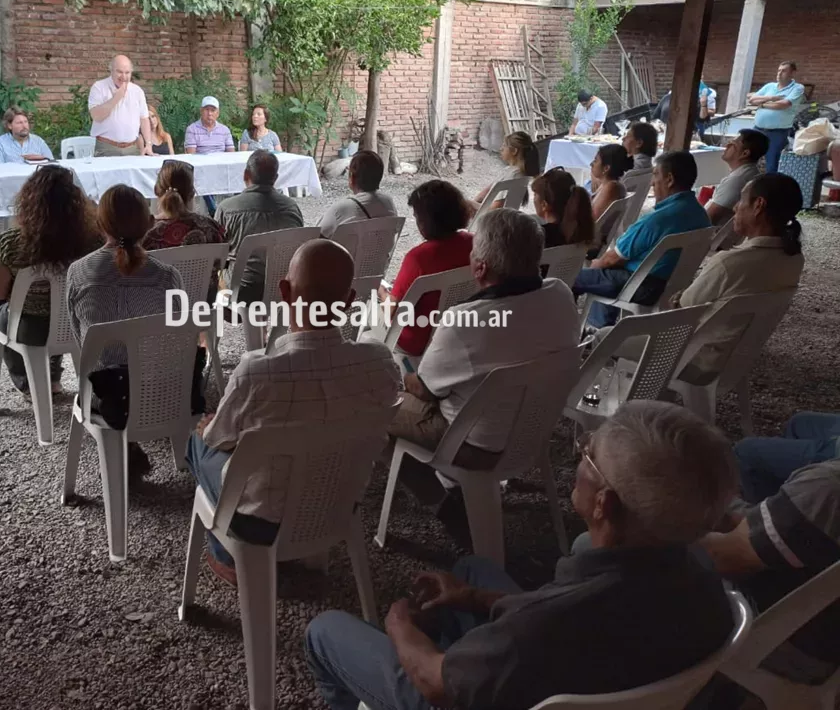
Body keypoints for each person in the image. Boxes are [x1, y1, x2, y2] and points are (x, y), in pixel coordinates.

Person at [306, 400, 738, 710]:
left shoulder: (537, 629)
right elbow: (560, 613)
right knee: (473, 570)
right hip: (606, 665)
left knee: (324, 632)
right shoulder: (705, 578)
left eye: (587, 453)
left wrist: (398, 625)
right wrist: (475, 598)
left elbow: (436, 682)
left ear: (604, 504)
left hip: (478, 688)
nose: (580, 458)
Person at [185, 239, 401, 585]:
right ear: (349, 302)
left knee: (198, 441)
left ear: (284, 292)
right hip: (337, 505)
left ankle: (226, 554)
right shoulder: (380, 363)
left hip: (261, 523)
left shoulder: (256, 372)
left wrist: (211, 431)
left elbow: (220, 439)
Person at [390, 208, 580, 460]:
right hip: (534, 429)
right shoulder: (561, 293)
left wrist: (405, 378)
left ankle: (438, 492)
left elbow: (425, 391)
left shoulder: (464, 322)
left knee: (374, 403)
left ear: (480, 269)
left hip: (473, 444)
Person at [67, 184, 184, 480]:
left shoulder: (78, 272)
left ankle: (121, 443)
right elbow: (181, 336)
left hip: (104, 391)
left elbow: (81, 341)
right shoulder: (168, 277)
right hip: (164, 391)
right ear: (148, 224)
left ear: (100, 224)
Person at [700, 456, 840, 687]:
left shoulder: (827, 487)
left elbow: (722, 558)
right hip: (824, 636)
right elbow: (769, 533)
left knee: (647, 569)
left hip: (792, 647)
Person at [669, 174, 804, 382]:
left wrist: (676, 297)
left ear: (758, 205)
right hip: (736, 360)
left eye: (741, 200)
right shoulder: (794, 258)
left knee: (605, 336)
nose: (735, 208)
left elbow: (681, 313)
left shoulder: (729, 263)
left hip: (696, 360)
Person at [0, 166, 100, 397]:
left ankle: (27, 379)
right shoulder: (94, 239)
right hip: (80, 321)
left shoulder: (11, 243)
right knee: (56, 308)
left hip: (30, 330)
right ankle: (52, 376)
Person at [572, 151, 711, 328]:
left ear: (669, 179)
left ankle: (567, 332)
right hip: (671, 285)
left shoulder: (658, 219)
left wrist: (594, 266)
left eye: (655, 175)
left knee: (570, 279)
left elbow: (611, 259)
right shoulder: (701, 214)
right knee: (605, 277)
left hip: (642, 286)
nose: (652, 182)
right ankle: (598, 329)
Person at [380, 180, 472, 357]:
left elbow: (391, 309)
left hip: (417, 340)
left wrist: (381, 293)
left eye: (417, 216)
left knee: (371, 308)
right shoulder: (474, 242)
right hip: (457, 332)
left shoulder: (418, 258)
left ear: (426, 220)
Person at [215, 150, 303, 305]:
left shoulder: (227, 208)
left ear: (245, 175)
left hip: (242, 291)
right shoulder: (292, 208)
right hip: (284, 287)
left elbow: (218, 255)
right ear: (275, 178)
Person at [143, 160, 227, 303]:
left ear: (157, 191)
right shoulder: (211, 228)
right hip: (201, 310)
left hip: (156, 314)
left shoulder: (144, 233)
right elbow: (222, 264)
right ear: (192, 193)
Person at [318, 149, 398, 239]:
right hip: (381, 253)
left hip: (347, 253)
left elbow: (316, 236)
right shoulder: (388, 202)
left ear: (352, 177)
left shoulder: (341, 208)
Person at [88, 54, 153, 157]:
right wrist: (116, 98)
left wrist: (148, 144)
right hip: (107, 148)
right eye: (119, 72)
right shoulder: (99, 87)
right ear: (111, 71)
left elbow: (144, 119)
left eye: (127, 73)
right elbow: (96, 116)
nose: (123, 76)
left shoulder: (137, 91)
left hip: (132, 148)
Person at [748, 61, 805, 174]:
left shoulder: (797, 88)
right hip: (758, 129)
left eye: (784, 71)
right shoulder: (770, 86)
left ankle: (770, 189)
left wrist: (762, 104)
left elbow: (783, 105)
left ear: (792, 73)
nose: (779, 73)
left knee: (772, 164)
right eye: (779, 70)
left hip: (777, 132)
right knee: (749, 160)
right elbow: (752, 99)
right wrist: (771, 97)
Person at [704, 129, 769, 226]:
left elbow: (709, 218)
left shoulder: (737, 179)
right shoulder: (748, 172)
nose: (726, 146)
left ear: (745, 153)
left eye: (732, 144)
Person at [468, 131, 540, 214]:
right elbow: (486, 191)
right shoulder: (512, 172)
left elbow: (495, 210)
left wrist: (470, 204)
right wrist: (473, 203)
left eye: (504, 146)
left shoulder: (513, 175)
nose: (501, 148)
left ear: (514, 151)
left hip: (494, 220)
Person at [531, 168, 595, 248]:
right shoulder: (579, 231)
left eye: (535, 195)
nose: (533, 199)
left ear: (544, 205)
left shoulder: (538, 236)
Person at [588, 144, 632, 221]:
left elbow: (593, 219)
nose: (591, 164)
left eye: (595, 161)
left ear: (606, 168)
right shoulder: (609, 184)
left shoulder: (611, 187)